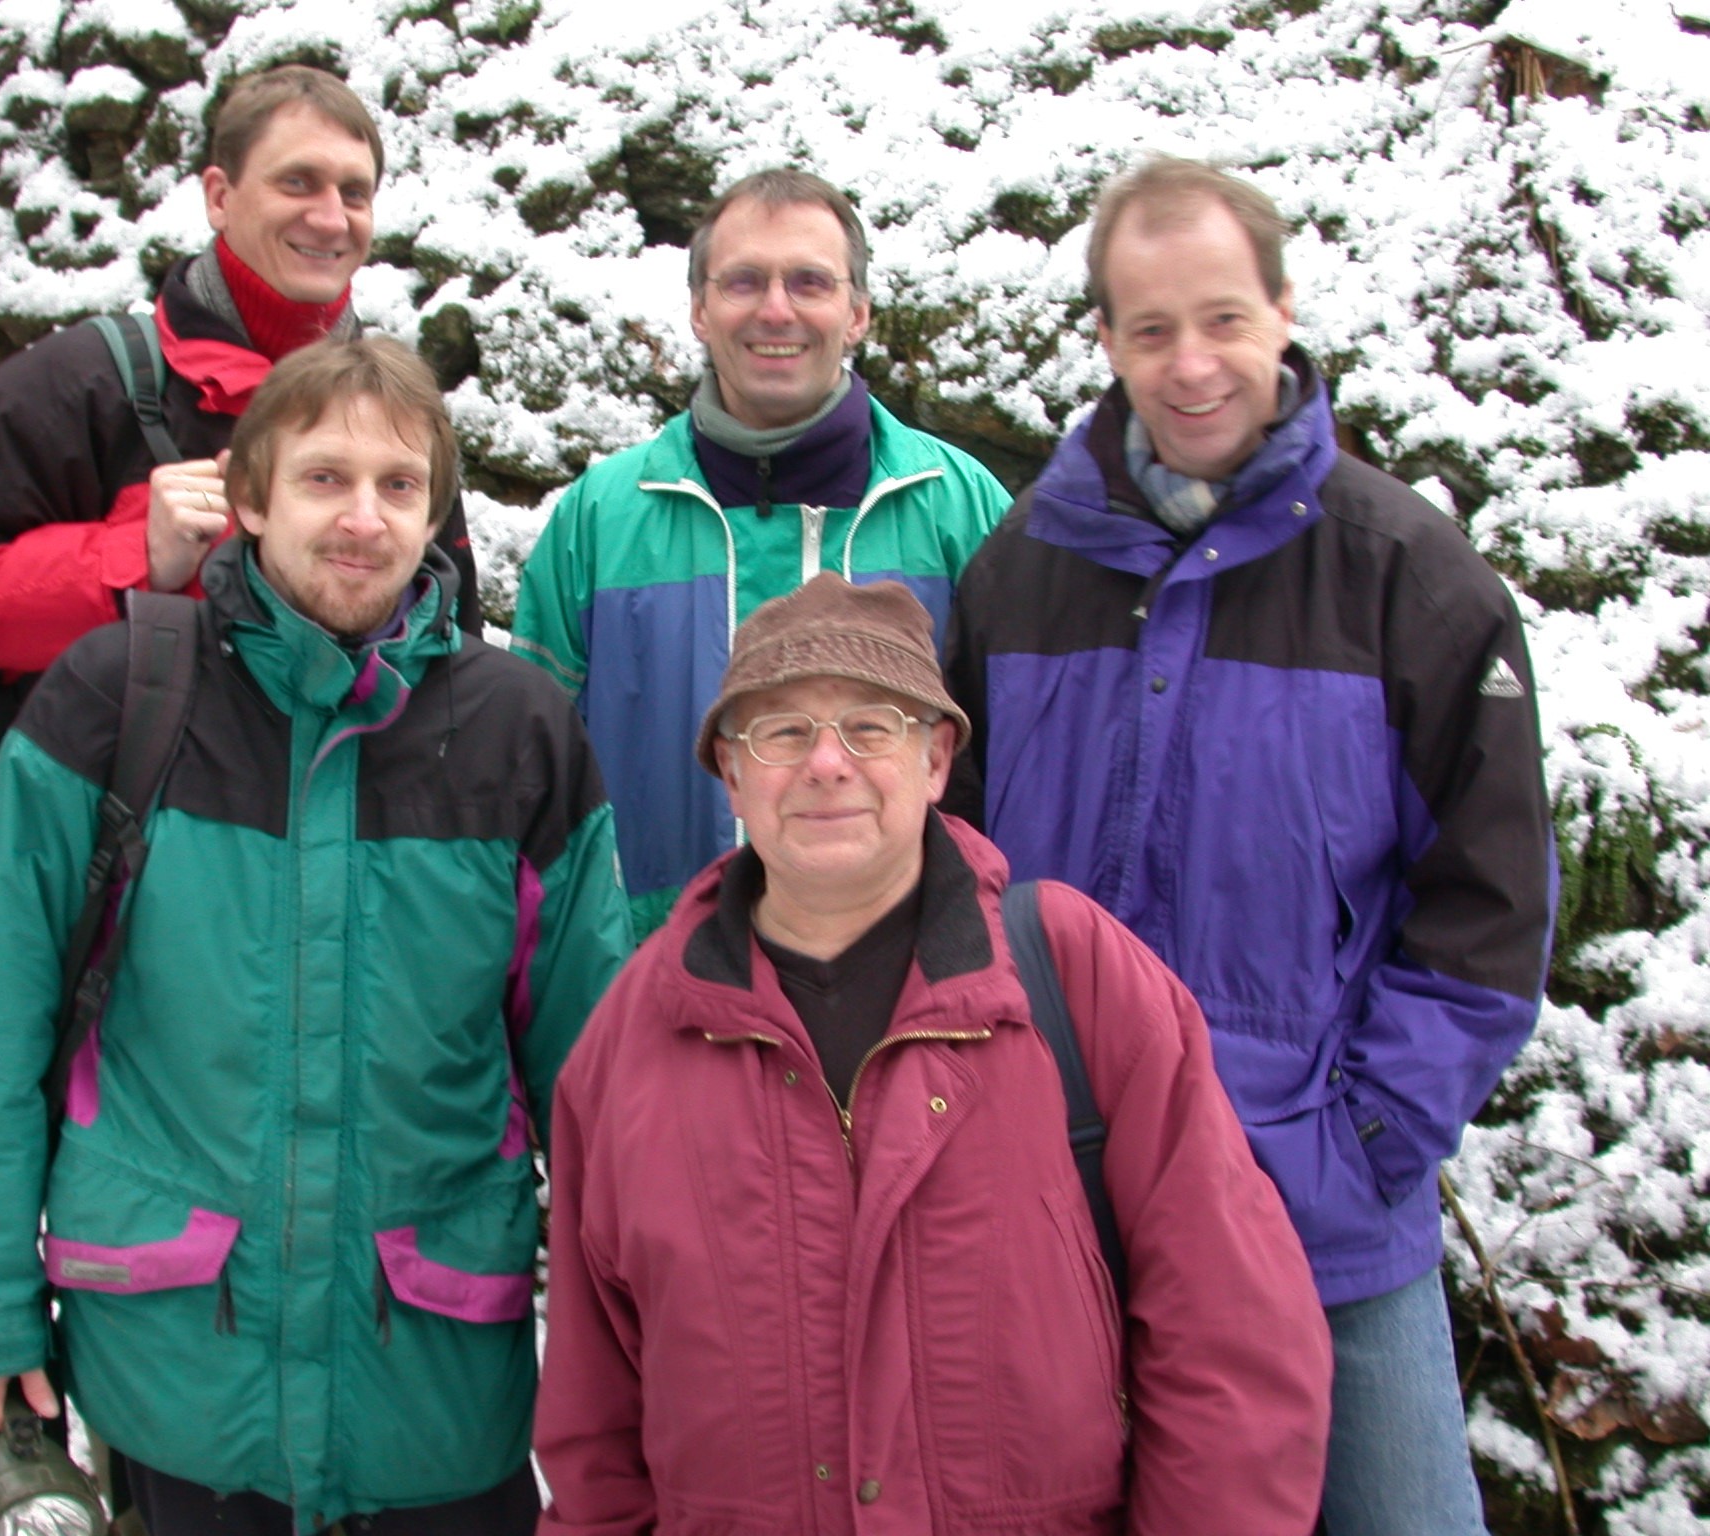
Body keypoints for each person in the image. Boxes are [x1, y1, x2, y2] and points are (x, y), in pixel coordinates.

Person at [943, 156, 1555, 1535]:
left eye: (1223, 318)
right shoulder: (1017, 576)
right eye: (1151, 328)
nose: (1191, 364)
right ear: (1106, 340)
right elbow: (950, 873)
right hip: (1064, 1209)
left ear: (1282, 311)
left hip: (1320, 1213)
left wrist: (1370, 1140)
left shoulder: (1411, 579)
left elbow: (1490, 906)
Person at [0, 337, 632, 1535]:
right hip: (181, 1374)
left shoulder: (519, 735)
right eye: (322, 479)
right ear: (249, 499)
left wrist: (641, 1345)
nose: (362, 517)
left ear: (434, 515)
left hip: (432, 1378)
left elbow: (593, 1084)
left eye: (398, 485)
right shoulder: (111, 702)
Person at [535, 573, 1331, 1536]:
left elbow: (1234, 1349)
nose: (826, 763)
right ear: (731, 774)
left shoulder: (1075, 980)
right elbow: (595, 1427)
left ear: (937, 758)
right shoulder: (633, 1039)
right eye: (781, 732)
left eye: (870, 727)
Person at [511, 168, 1010, 938]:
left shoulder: (962, 510)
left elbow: (1022, 770)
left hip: (915, 974)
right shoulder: (597, 523)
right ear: (699, 310)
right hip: (655, 971)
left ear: (857, 313)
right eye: (744, 281)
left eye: (809, 282)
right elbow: (529, 781)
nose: (776, 309)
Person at [0, 63, 479, 684]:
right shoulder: (81, 384)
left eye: (354, 194)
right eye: (298, 183)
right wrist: (135, 556)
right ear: (220, 197)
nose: (331, 219)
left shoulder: (397, 412)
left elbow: (451, 646)